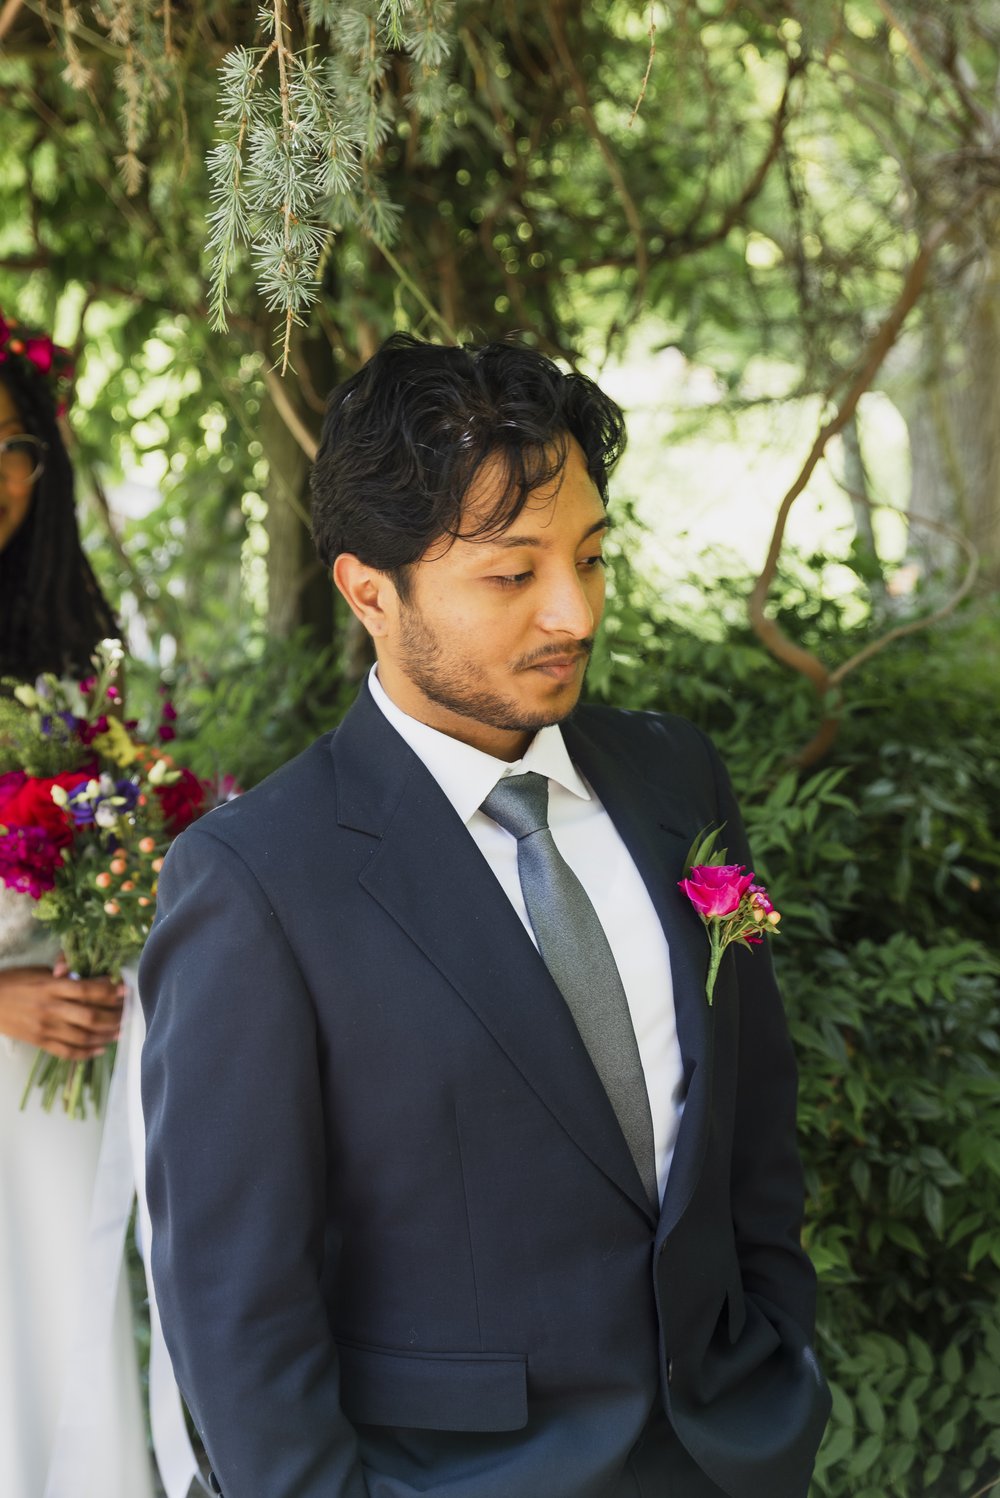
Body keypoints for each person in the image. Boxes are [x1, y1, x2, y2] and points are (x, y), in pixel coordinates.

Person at [140, 334, 831, 1498]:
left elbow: (751, 1117)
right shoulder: (253, 884)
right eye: (511, 575)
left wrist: (780, 1356)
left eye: (594, 557)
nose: (573, 612)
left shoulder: (674, 783)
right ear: (369, 588)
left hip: (729, 1452)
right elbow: (235, 1309)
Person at [0, 312, 155, 1498]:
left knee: (69, 1328)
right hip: (11, 1023)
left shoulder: (71, 655)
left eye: (14, 445)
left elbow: (130, 829)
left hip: (67, 1068)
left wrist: (121, 922)